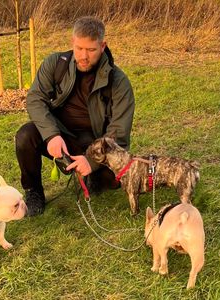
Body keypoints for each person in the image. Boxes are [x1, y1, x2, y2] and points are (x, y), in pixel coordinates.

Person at [15, 16, 135, 216]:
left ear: (103, 46)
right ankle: (33, 191)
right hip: (60, 135)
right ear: (72, 42)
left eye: (91, 50)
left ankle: (90, 175)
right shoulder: (55, 64)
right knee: (25, 136)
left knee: (111, 182)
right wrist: (51, 134)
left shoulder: (118, 82)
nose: (83, 56)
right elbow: (35, 99)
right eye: (79, 48)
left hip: (95, 143)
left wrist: (91, 159)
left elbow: (119, 133)